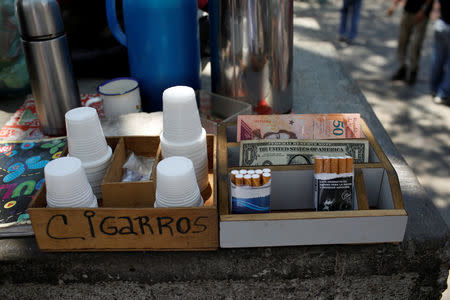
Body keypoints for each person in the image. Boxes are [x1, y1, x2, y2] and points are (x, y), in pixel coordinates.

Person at [388, 0, 434, 85]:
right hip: (408, 11)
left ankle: (413, 70)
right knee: (402, 41)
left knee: (416, 44)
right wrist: (394, 6)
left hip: (422, 15)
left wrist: (423, 10)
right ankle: (402, 67)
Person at [430, 0, 450, 104]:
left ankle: (434, 88)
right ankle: (442, 93)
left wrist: (435, 12)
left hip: (440, 25)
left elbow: (437, 4)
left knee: (437, 59)